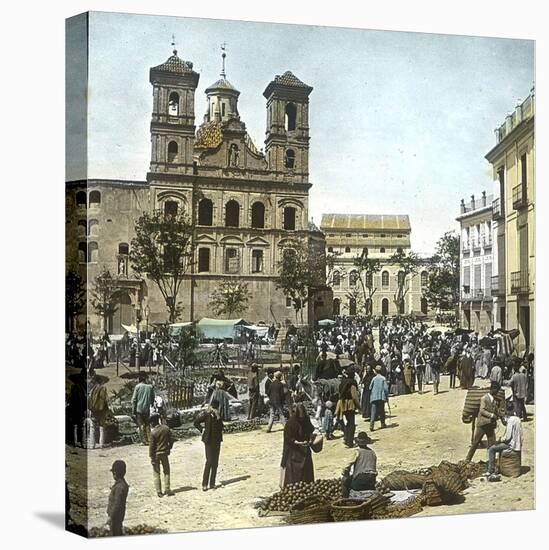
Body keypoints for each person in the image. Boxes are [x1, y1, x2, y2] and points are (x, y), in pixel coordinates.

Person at [465, 382, 504, 462]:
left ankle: (491, 463)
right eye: (496, 390)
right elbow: (482, 411)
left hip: (490, 425)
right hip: (482, 425)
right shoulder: (484, 398)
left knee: (492, 444)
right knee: (475, 443)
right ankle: (467, 460)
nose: (497, 393)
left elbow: (496, 410)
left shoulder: (495, 400)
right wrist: (491, 415)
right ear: (493, 389)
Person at [281, 403, 315, 487]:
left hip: (305, 449)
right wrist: (298, 443)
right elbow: (288, 438)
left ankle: (307, 485)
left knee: (306, 471)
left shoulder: (306, 419)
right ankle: (293, 486)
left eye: (303, 417)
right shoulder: (291, 423)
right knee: (294, 474)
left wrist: (310, 439)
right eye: (300, 418)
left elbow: (311, 430)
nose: (302, 419)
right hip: (294, 451)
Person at [194, 399, 224, 491]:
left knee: (215, 463)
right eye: (213, 408)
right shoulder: (206, 415)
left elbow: (221, 427)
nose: (214, 409)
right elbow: (196, 422)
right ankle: (204, 483)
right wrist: (202, 429)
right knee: (209, 461)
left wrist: (218, 417)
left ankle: (212, 483)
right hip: (208, 440)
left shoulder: (219, 416)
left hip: (217, 440)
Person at [486, 414, 523, 481]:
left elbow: (507, 437)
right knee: (497, 447)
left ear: (504, 417)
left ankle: (491, 471)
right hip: (517, 443)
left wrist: (500, 440)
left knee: (492, 449)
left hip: (511, 444)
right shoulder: (517, 419)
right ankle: (495, 468)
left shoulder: (510, 421)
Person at [149, 413, 175, 497]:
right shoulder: (166, 428)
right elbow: (171, 440)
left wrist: (151, 457)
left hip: (156, 454)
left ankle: (159, 491)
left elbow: (151, 447)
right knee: (166, 471)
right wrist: (169, 448)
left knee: (156, 473)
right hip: (164, 453)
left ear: (153, 422)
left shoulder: (153, 433)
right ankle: (167, 489)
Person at [335, 373, 361, 448]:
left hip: (342, 403)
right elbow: (354, 397)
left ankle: (346, 438)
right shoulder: (352, 384)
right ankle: (350, 442)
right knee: (352, 424)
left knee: (348, 422)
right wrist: (359, 407)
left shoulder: (343, 382)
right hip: (350, 404)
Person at [131, 373, 155, 445]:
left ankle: (143, 441)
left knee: (141, 425)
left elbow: (134, 399)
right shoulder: (150, 387)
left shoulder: (137, 387)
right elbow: (152, 398)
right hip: (146, 408)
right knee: (147, 424)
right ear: (145, 380)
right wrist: (152, 404)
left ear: (139, 380)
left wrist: (133, 410)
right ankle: (150, 439)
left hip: (139, 409)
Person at [107, 460, 129, 537]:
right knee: (117, 530)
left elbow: (117, 503)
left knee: (115, 532)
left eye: (113, 473)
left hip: (116, 516)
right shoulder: (121, 484)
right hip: (118, 515)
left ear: (115, 473)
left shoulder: (120, 487)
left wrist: (111, 516)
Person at [88, 374, 110, 449]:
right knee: (102, 427)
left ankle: (92, 445)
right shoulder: (103, 388)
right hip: (101, 410)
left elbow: (89, 399)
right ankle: (101, 444)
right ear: (100, 381)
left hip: (93, 410)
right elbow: (105, 399)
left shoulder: (92, 389)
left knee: (92, 427)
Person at [369, 366, 388, 431]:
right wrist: (386, 396)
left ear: (376, 371)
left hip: (374, 397)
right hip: (381, 397)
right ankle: (383, 424)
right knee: (382, 411)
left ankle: (371, 426)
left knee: (373, 412)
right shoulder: (383, 378)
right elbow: (386, 389)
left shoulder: (374, 379)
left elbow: (370, 387)